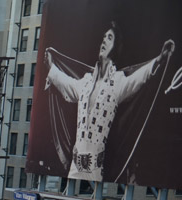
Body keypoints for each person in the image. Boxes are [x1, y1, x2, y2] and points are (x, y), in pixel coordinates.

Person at [42, 26, 174, 181]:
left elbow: (138, 78)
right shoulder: (85, 81)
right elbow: (66, 83)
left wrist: (160, 58)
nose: (104, 40)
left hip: (96, 171)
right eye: (104, 37)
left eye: (109, 37)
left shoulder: (118, 82)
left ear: (116, 47)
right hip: (74, 168)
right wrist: (51, 67)